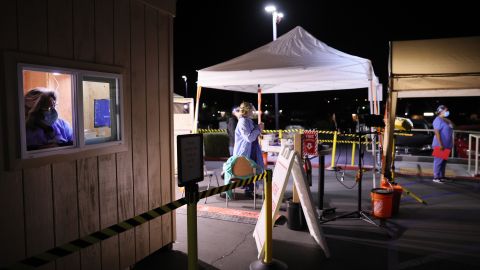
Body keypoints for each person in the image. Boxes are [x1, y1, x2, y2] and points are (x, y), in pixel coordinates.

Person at [233, 101, 264, 198]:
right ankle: (248, 192)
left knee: (253, 171)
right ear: (247, 110)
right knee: (248, 171)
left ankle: (250, 191)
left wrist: (258, 129)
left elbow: (253, 134)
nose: (253, 112)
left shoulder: (248, 120)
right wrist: (258, 129)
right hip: (245, 151)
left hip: (252, 150)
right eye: (251, 110)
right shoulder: (243, 121)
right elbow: (249, 138)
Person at [432, 105, 454, 183]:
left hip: (447, 144)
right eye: (446, 110)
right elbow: (437, 132)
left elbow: (452, 127)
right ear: (441, 111)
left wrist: (448, 121)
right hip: (440, 145)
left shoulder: (445, 120)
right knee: (438, 161)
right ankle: (436, 177)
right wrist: (440, 144)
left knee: (443, 162)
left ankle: (441, 176)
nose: (447, 112)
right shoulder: (437, 120)